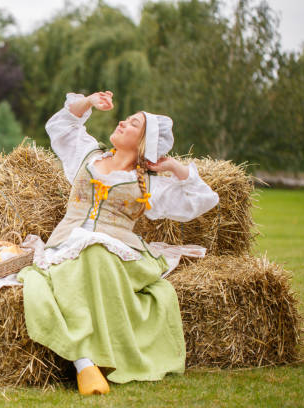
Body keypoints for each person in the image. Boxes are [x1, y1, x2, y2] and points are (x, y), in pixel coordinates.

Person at [17, 91, 219, 395]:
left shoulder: (149, 184)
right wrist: (87, 102)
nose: (123, 122)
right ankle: (84, 364)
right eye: (126, 118)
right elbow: (59, 127)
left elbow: (202, 200)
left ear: (143, 142)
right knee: (70, 265)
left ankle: (85, 361)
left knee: (95, 253)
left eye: (133, 123)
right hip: (65, 245)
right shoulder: (87, 155)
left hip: (118, 255)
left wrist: (177, 169)